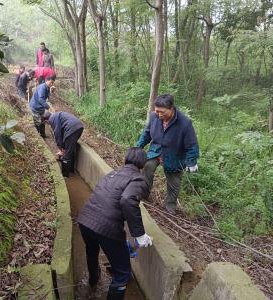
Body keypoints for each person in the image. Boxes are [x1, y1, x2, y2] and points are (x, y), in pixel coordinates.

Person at [77, 147, 153, 300]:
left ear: (126, 159)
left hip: (85, 220)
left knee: (91, 252)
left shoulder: (113, 173)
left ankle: (93, 280)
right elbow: (127, 200)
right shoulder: (139, 179)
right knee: (123, 273)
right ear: (142, 165)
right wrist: (139, 234)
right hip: (106, 228)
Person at [136, 94, 199, 214]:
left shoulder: (184, 123)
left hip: (174, 155)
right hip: (156, 150)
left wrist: (191, 161)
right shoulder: (154, 117)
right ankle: (144, 194)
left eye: (162, 112)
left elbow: (192, 144)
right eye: (157, 111)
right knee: (147, 167)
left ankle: (170, 205)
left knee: (174, 181)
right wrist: (138, 146)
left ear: (171, 108)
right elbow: (147, 133)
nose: (159, 115)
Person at [43, 111, 83, 177]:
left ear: (46, 120)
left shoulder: (52, 119)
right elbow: (62, 134)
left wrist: (61, 148)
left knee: (66, 155)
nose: (48, 124)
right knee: (70, 150)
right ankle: (71, 170)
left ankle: (65, 175)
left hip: (71, 129)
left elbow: (57, 134)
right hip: (79, 127)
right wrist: (63, 148)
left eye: (46, 123)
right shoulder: (56, 115)